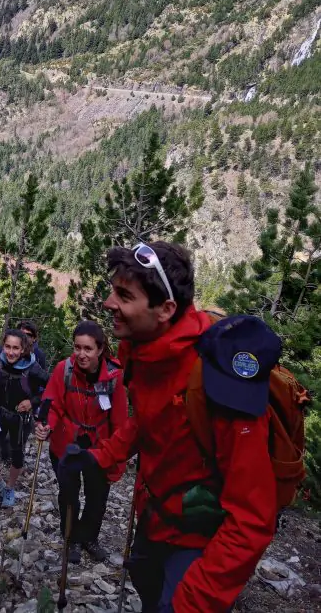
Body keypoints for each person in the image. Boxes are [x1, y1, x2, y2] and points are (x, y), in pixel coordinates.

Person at [91, 241, 278, 613]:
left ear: (166, 309)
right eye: (113, 290)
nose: (109, 303)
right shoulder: (144, 351)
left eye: (124, 295)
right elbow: (147, 420)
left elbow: (253, 517)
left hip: (199, 540)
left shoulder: (218, 379)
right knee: (146, 587)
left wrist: (192, 601)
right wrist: (100, 458)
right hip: (155, 518)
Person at [35, 321, 127, 565]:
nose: (81, 354)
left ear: (100, 349)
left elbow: (119, 421)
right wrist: (47, 424)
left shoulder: (114, 377)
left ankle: (89, 537)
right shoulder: (64, 370)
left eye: (88, 349)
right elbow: (53, 404)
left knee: (97, 496)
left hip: (100, 447)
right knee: (69, 494)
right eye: (77, 347)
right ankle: (71, 537)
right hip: (65, 444)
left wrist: (118, 460)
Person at [0, 329, 48, 508]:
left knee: (17, 455)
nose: (10, 352)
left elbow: (51, 389)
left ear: (23, 349)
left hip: (20, 418)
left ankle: (9, 487)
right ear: (3, 345)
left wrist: (32, 402)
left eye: (15, 348)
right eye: (7, 346)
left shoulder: (32, 368)